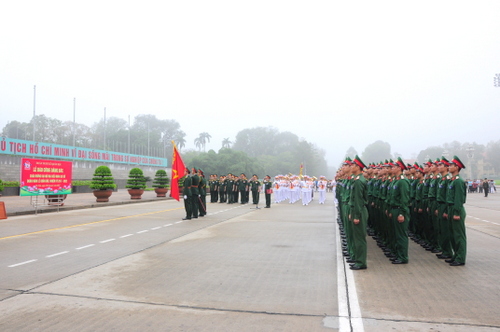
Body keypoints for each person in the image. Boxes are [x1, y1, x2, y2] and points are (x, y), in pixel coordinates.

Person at [445, 156, 468, 266]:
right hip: (451, 209)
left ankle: (460, 258)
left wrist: (457, 213)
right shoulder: (453, 181)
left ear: (457, 167)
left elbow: (458, 199)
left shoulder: (458, 182)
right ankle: (456, 255)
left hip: (456, 210)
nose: (449, 167)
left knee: (459, 236)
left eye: (451, 166)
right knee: (452, 235)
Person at [348, 155, 368, 270]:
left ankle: (361, 262)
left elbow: (358, 200)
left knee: (360, 238)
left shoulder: (359, 181)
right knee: (357, 237)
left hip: (359, 212)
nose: (351, 167)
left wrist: (356, 215)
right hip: (358, 211)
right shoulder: (358, 179)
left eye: (353, 165)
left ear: (358, 167)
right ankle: (358, 259)